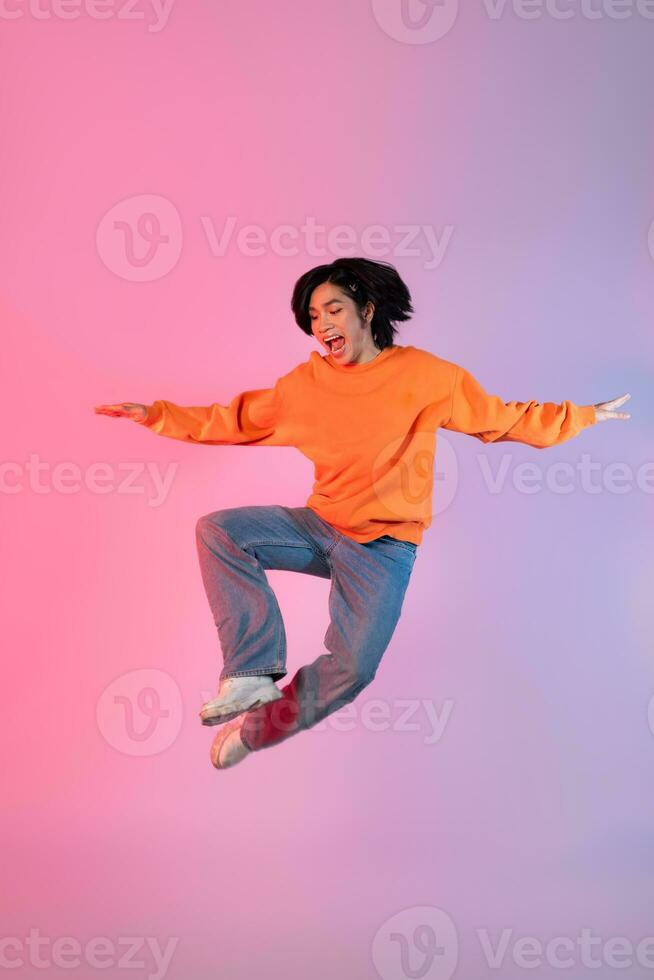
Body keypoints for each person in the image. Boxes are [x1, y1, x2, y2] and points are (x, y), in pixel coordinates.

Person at [94, 257, 631, 770]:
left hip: (385, 548)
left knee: (352, 670)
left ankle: (256, 731)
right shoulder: (305, 385)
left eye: (332, 309)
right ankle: (251, 673)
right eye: (312, 317)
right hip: (320, 525)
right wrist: (157, 415)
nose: (321, 324)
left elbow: (500, 420)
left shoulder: (426, 375)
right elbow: (237, 418)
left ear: (366, 309)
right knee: (220, 531)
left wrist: (581, 416)